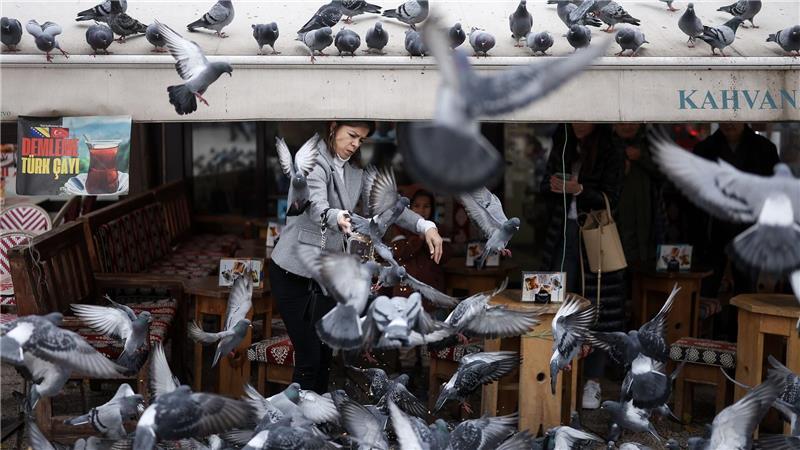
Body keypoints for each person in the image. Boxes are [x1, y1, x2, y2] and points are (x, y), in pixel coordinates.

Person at [269, 121, 445, 393]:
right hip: (293, 274)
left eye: (361, 140)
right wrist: (336, 215)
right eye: (352, 136)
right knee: (309, 358)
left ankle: (319, 422)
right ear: (333, 127)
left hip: (327, 278)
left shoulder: (354, 172)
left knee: (326, 357)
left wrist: (426, 226)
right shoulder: (314, 162)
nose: (355, 144)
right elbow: (315, 205)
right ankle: (298, 428)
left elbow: (390, 204)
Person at [539, 123, 625, 410]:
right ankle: (551, 368)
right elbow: (543, 186)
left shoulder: (611, 147)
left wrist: (580, 189)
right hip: (561, 233)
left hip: (596, 235)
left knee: (598, 307)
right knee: (556, 304)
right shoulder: (561, 140)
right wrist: (553, 186)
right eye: (574, 117)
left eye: (584, 118)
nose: (579, 124)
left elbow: (612, 197)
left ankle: (593, 381)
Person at [691, 123, 780, 338]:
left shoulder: (764, 149)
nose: (730, 122)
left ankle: (743, 346)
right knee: (706, 291)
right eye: (725, 116)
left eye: (735, 117)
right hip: (711, 231)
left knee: (747, 294)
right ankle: (703, 351)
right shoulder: (704, 149)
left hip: (750, 230)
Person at [612, 123, 659, 268]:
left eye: (632, 122)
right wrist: (620, 172)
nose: (627, 126)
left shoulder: (650, 144)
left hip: (647, 218)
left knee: (642, 265)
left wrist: (642, 157)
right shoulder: (606, 145)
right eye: (622, 122)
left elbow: (665, 173)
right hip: (615, 218)